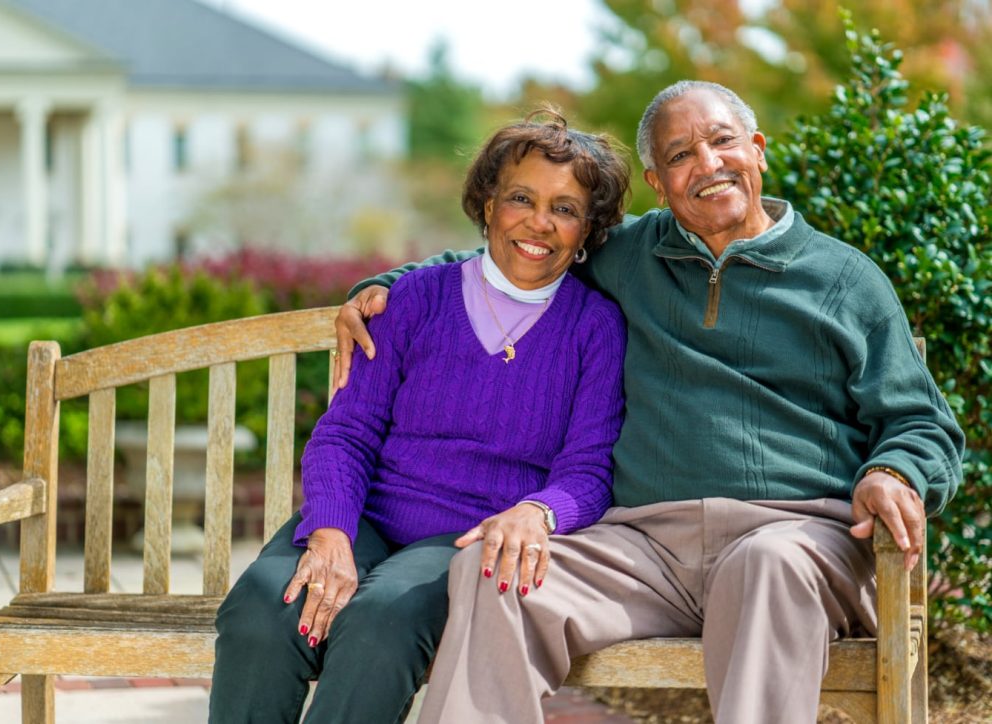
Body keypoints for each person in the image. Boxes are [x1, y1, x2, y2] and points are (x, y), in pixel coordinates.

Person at [334, 81, 965, 724]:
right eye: (682, 154)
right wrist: (388, 286)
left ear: (758, 149)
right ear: (658, 184)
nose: (709, 164)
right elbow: (518, 248)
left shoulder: (844, 279)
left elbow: (920, 420)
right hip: (642, 547)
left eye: (722, 142)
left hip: (792, 535)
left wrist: (894, 471)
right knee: (492, 569)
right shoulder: (628, 257)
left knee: (765, 564)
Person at [209, 110, 632, 724]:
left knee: (383, 619)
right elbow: (347, 432)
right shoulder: (412, 300)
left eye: (565, 209)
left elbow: (588, 471)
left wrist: (538, 513)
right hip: (366, 515)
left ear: (587, 229)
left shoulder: (595, 327)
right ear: (487, 204)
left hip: (470, 537)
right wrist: (331, 531)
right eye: (521, 198)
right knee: (262, 604)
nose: (539, 222)